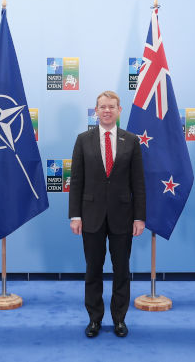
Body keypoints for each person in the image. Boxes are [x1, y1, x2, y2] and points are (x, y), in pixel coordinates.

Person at [68, 90, 145, 338]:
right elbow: (76, 181)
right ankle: (94, 319)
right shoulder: (83, 140)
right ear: (96, 111)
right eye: (102, 107)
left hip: (123, 216)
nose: (107, 110)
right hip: (91, 215)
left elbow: (138, 183)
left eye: (112, 106)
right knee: (93, 270)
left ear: (119, 110)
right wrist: (75, 215)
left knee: (121, 270)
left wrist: (139, 217)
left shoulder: (131, 140)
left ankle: (119, 319)